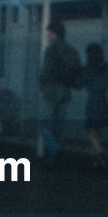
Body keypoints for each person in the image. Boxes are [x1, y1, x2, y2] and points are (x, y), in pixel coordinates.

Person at [37, 19, 81, 166]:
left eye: (48, 31)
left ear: (53, 32)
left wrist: (42, 85)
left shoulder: (51, 49)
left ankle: (53, 147)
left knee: (43, 124)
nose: (47, 34)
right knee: (58, 126)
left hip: (51, 90)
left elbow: (46, 72)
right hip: (65, 91)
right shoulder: (71, 49)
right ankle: (53, 158)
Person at [81, 42, 108, 170]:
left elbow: (82, 82)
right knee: (97, 131)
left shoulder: (88, 69)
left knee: (91, 131)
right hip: (105, 103)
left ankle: (100, 155)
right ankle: (99, 159)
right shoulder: (106, 68)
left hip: (93, 103)